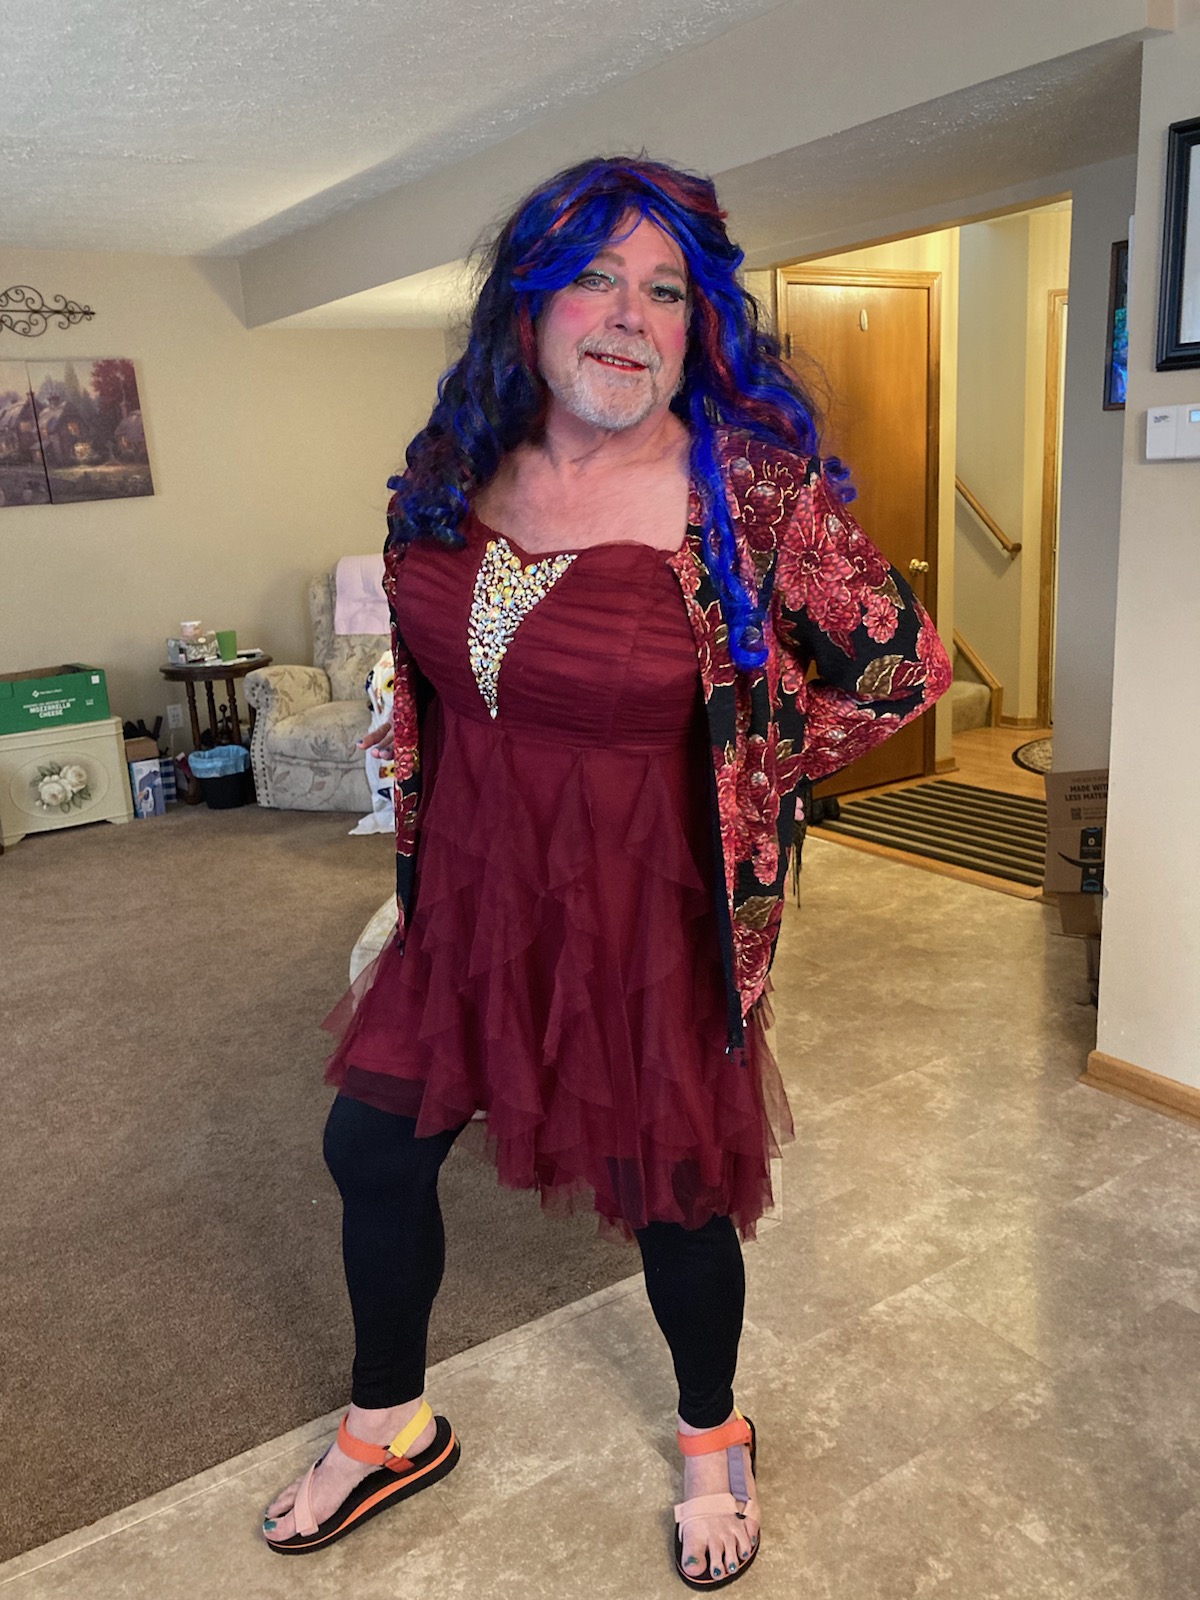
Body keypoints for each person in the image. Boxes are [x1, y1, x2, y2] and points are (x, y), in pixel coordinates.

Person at [262, 156, 950, 1586]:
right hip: (469, 894)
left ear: (701, 327)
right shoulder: (451, 467)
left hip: (649, 913)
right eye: (593, 277)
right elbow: (443, 669)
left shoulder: (747, 496)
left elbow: (902, 669)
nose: (630, 316)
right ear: (528, 308)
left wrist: (752, 760)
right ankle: (390, 1428)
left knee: (676, 1192)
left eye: (667, 290)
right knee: (369, 1148)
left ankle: (713, 1433)